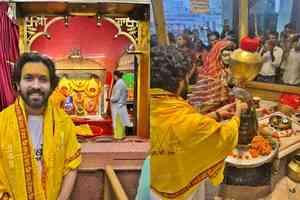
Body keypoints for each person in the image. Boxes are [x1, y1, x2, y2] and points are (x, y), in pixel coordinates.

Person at [150, 46, 248, 200]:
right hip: (179, 189)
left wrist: (216, 114)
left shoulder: (149, 105)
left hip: (153, 183)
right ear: (180, 81)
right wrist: (237, 115)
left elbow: (183, 128)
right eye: (188, 78)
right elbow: (225, 136)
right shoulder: (184, 118)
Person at [0, 52, 81, 200]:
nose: (36, 86)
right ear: (18, 84)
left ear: (51, 86)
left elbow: (71, 165)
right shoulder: (2, 122)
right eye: (28, 78)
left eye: (43, 79)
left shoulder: (64, 122)